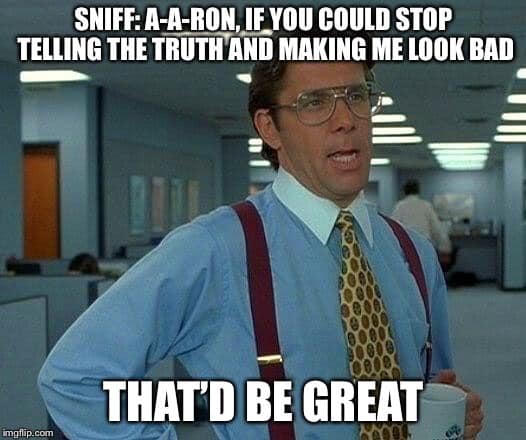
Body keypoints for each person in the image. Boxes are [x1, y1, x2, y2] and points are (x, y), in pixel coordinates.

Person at [38, 29, 483, 439]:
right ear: (269, 127)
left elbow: (430, 389)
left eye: (357, 95)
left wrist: (448, 418)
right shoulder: (213, 250)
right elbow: (75, 379)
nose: (346, 119)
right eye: (315, 103)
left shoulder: (414, 253)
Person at [392, 179, 453, 266]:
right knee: (426, 272)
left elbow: (392, 229)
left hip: (406, 249)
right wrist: (445, 248)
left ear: (404, 191)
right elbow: (437, 229)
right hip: (425, 247)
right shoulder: (426, 206)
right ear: (418, 191)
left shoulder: (399, 206)